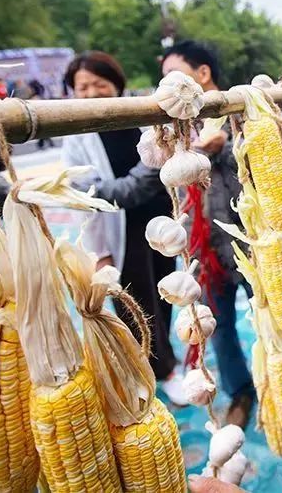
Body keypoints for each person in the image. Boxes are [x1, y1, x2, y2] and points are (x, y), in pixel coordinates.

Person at [60, 51, 187, 404]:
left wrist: (113, 189)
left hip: (160, 218)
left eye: (99, 84)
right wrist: (99, 252)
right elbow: (83, 196)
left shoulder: (139, 115)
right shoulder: (75, 135)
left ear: (116, 84)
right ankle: (161, 371)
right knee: (136, 303)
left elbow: (164, 162)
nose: (91, 92)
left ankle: (162, 359)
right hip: (121, 229)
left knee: (165, 291)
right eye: (82, 87)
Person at [160, 39, 257, 427]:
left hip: (249, 239)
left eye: (173, 75)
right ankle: (241, 393)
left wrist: (225, 145)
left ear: (202, 75)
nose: (165, 85)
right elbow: (164, 175)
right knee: (218, 328)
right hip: (204, 247)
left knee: (272, 311)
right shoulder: (171, 124)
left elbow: (266, 159)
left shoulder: (241, 108)